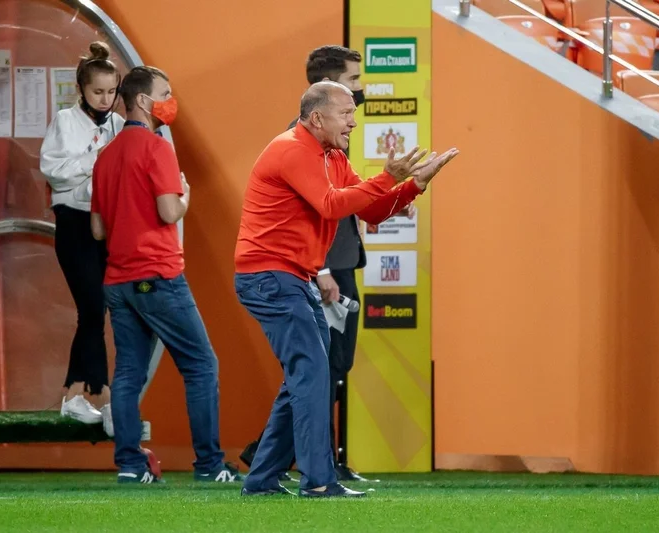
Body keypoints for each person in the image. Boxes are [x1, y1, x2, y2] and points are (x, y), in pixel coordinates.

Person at [235, 81, 458, 497]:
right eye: (346, 114)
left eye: (353, 114)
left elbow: (370, 210)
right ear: (316, 117)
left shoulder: (333, 156)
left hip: (292, 278)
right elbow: (331, 205)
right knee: (312, 373)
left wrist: (414, 185)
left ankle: (263, 480)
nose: (354, 122)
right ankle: (319, 482)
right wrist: (388, 176)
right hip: (269, 277)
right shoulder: (292, 149)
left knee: (306, 376)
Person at [90, 65, 241, 485]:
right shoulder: (158, 148)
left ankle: (129, 465)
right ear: (143, 100)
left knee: (127, 374)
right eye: (165, 93)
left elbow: (97, 229)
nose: (171, 101)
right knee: (201, 366)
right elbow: (169, 211)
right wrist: (185, 196)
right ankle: (210, 465)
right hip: (158, 275)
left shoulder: (105, 157)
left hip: (118, 281)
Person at [40, 41, 125, 436]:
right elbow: (55, 172)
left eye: (111, 92)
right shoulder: (64, 121)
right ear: (81, 89)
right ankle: (101, 397)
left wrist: (91, 168)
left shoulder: (119, 124)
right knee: (92, 306)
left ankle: (76, 394)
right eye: (97, 92)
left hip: (106, 224)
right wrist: (96, 161)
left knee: (98, 310)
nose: (105, 99)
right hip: (74, 223)